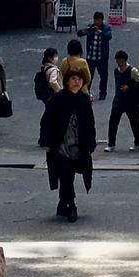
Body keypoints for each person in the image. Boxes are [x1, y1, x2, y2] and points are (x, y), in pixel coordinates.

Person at [38, 65, 96, 220]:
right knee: (66, 175)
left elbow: (90, 123)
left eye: (79, 79)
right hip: (61, 145)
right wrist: (46, 141)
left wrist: (91, 143)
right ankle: (71, 205)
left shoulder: (84, 100)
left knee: (69, 175)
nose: (76, 82)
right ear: (67, 81)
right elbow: (47, 120)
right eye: (73, 79)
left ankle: (63, 203)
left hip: (79, 145)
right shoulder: (58, 99)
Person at [107, 51, 139, 150]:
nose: (119, 64)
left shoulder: (133, 71)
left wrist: (129, 87)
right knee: (113, 123)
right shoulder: (116, 71)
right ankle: (111, 144)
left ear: (125, 61)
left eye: (120, 61)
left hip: (131, 101)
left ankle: (138, 143)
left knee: (135, 123)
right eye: (117, 62)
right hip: (118, 100)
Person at [84, 11, 113, 100]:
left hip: (102, 57)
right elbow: (80, 33)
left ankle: (103, 92)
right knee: (89, 76)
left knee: (103, 76)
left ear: (102, 20)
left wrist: (99, 32)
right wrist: (84, 30)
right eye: (95, 20)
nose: (97, 22)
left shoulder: (106, 28)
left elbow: (108, 37)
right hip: (91, 56)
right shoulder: (91, 27)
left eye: (98, 20)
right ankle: (86, 91)